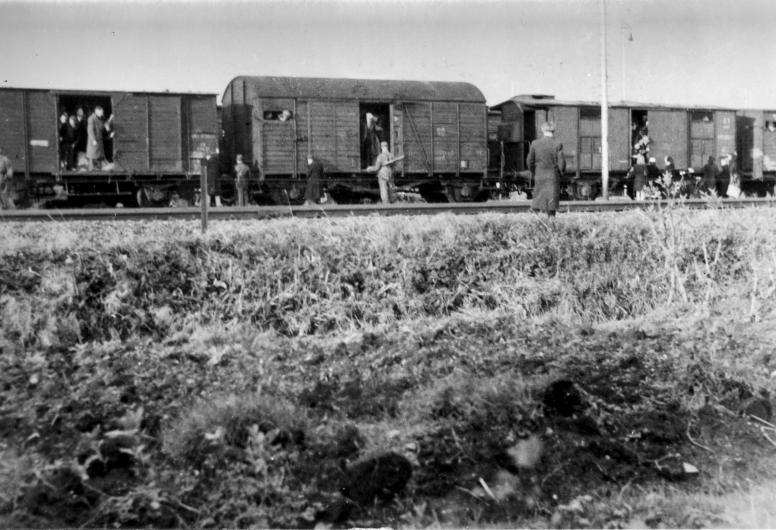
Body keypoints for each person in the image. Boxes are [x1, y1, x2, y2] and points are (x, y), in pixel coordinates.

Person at [527, 121, 565, 216]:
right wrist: (560, 173)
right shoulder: (557, 144)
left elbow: (529, 161)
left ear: (542, 130)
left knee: (537, 201)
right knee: (551, 204)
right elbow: (562, 163)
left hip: (539, 175)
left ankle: (536, 221)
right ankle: (550, 223)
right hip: (552, 176)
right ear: (554, 130)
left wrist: (534, 171)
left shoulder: (535, 143)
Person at [86, 106, 107, 170]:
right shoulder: (91, 118)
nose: (102, 113)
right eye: (101, 112)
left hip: (99, 142)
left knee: (99, 159)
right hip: (94, 143)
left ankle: (98, 171)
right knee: (93, 158)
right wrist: (93, 140)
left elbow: (101, 129)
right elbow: (90, 130)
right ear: (97, 111)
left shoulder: (100, 118)